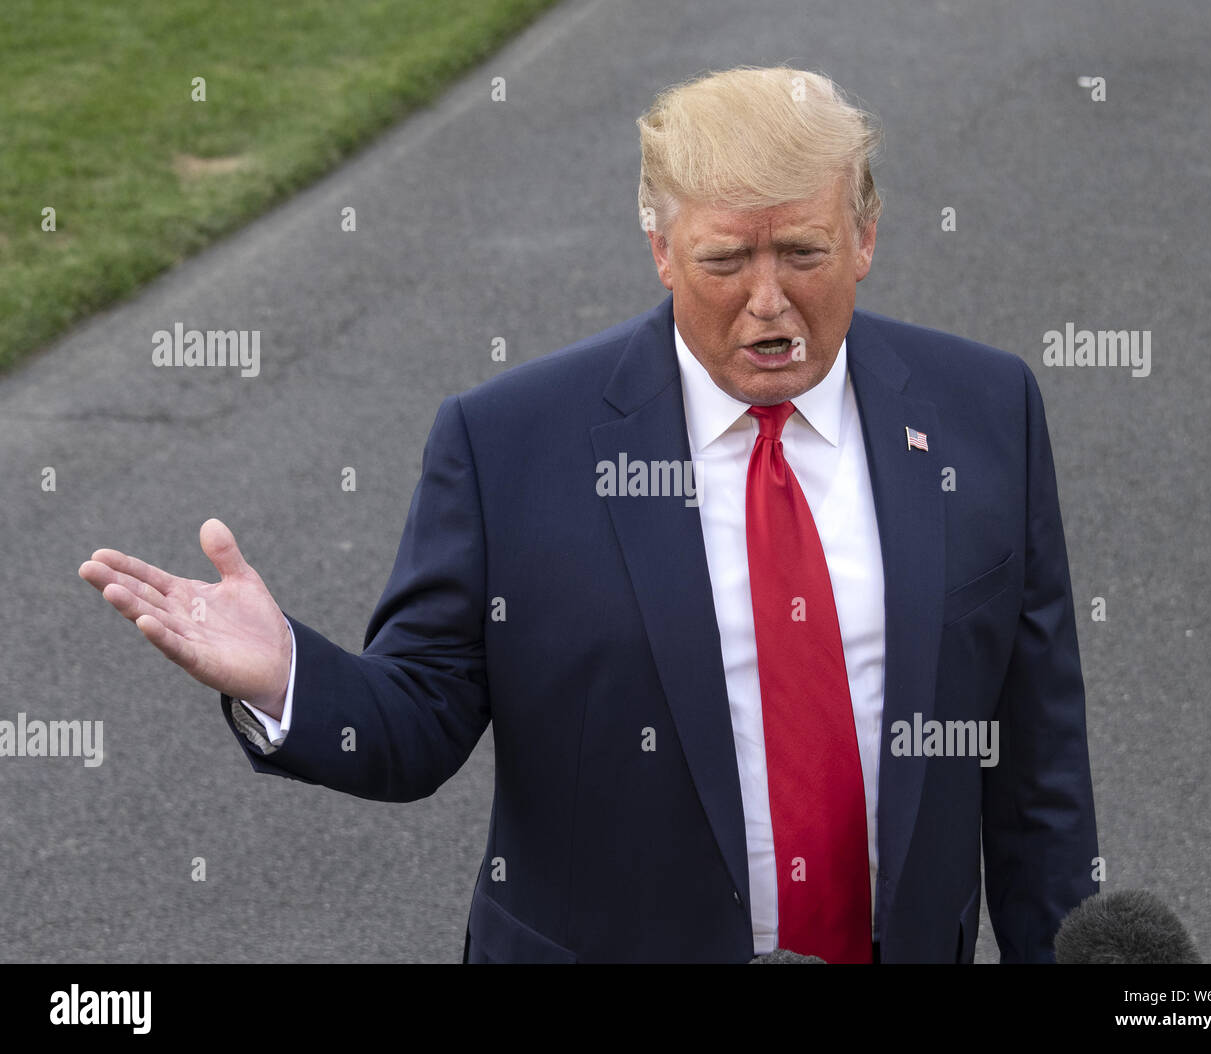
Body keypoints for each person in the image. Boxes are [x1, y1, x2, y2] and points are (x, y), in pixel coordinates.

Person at [79, 66, 1099, 963]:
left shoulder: (984, 412)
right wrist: (292, 676)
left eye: (802, 251)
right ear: (658, 247)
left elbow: (1035, 764)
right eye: (722, 261)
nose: (766, 300)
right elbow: (421, 722)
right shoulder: (510, 443)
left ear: (866, 235)